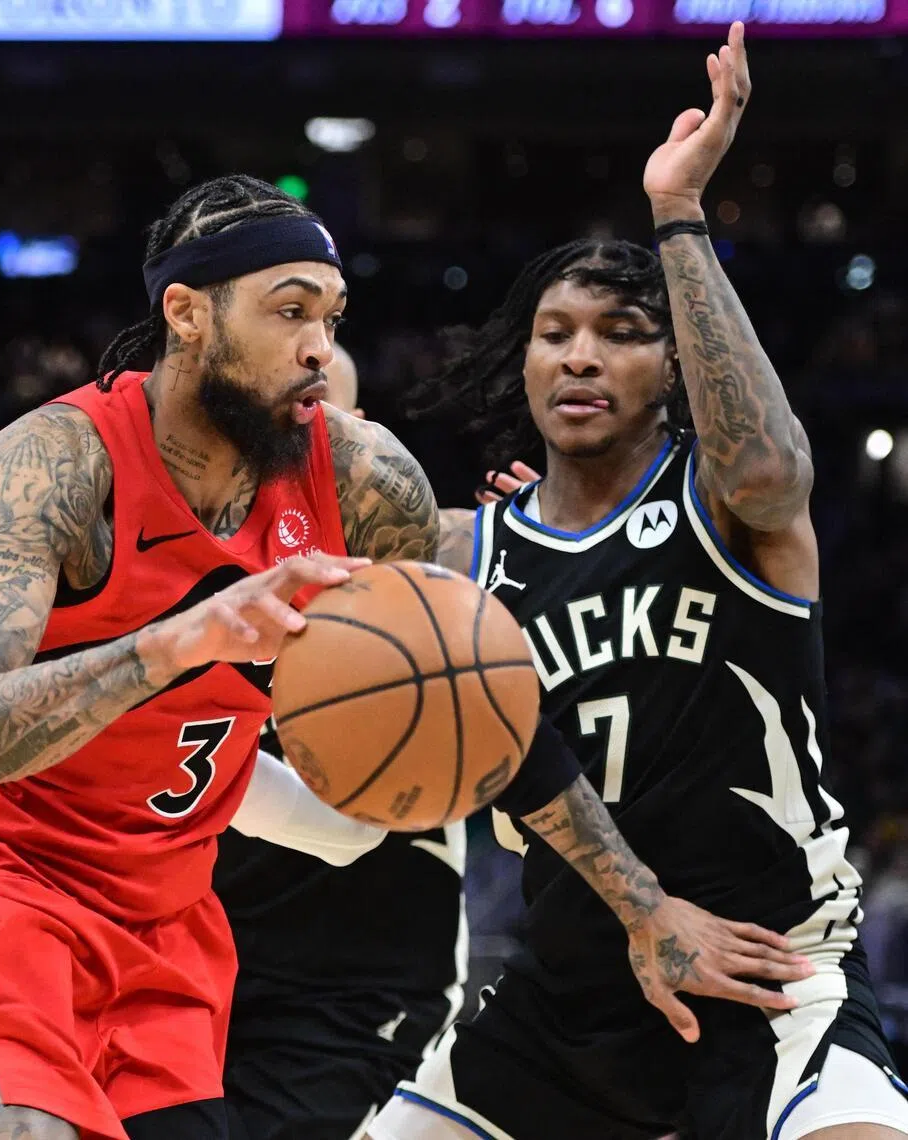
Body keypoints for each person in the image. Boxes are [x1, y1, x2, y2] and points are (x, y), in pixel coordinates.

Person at [0, 172, 807, 1140]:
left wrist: (644, 910)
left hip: (164, 920)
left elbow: (484, 710)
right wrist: (176, 643)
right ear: (186, 313)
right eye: (290, 312)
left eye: (333, 316)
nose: (320, 346)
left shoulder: (361, 477)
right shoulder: (60, 463)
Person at [369, 25, 908, 1140]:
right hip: (566, 1003)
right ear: (520, 363)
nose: (579, 356)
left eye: (620, 334)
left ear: (675, 365)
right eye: (554, 333)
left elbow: (764, 460)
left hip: (774, 976)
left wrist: (678, 214)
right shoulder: (466, 553)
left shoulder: (730, 505)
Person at [216, 347, 468, 1140]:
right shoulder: (170, 559)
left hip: (354, 992)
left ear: (367, 442)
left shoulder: (439, 567)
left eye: (323, 423)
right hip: (192, 966)